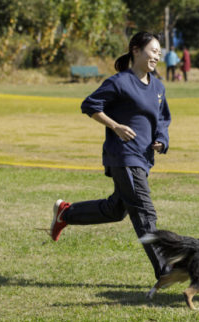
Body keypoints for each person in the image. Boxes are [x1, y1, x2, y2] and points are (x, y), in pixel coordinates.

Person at [49, 31, 171, 281]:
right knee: (144, 210)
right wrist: (115, 126)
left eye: (159, 52)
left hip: (143, 158)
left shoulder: (158, 87)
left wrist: (162, 140)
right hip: (124, 156)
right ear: (136, 50)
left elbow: (162, 119)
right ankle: (166, 271)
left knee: (116, 209)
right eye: (153, 50)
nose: (157, 56)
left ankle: (66, 213)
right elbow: (90, 105)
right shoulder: (120, 82)